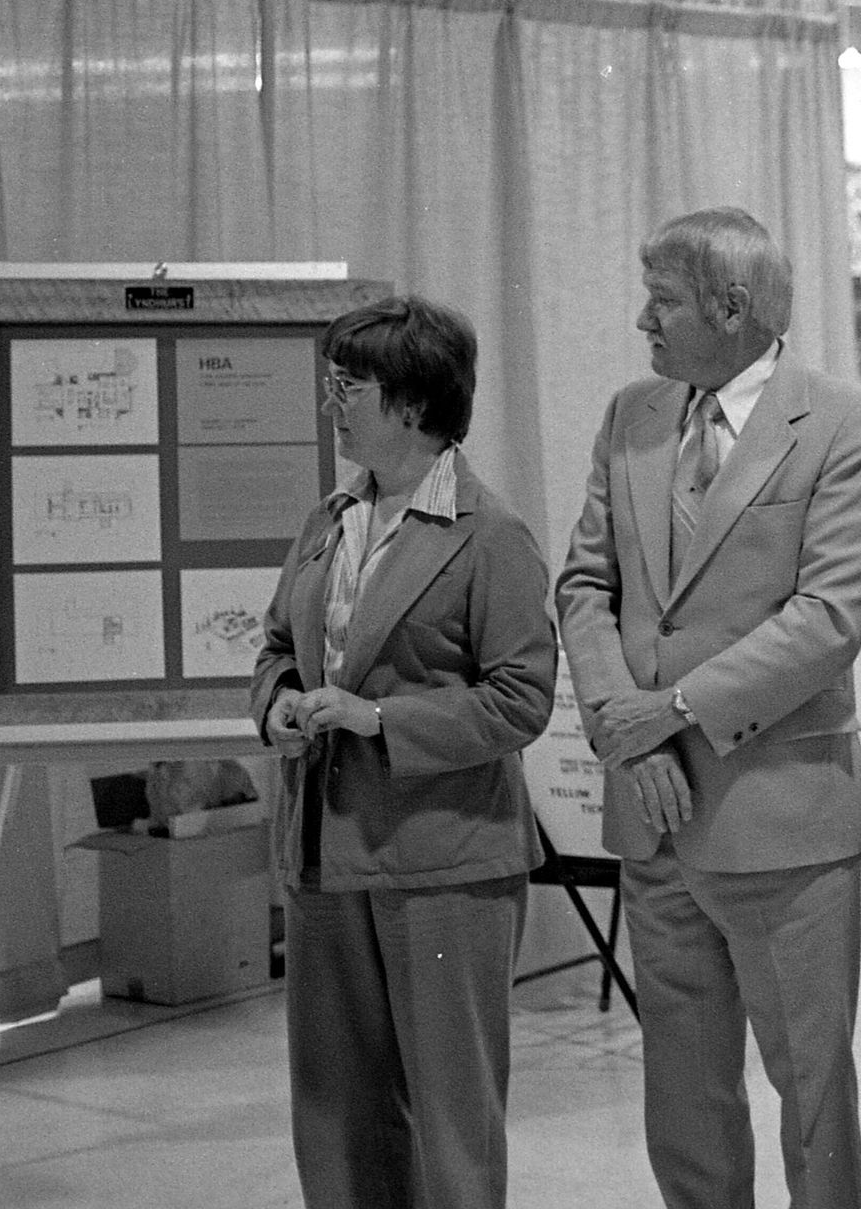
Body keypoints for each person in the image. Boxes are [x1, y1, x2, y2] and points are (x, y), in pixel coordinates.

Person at [555, 207, 861, 1209]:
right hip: (652, 809)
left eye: (662, 301)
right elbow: (585, 584)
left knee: (811, 1091)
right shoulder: (633, 414)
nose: (642, 320)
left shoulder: (847, 422)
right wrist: (625, 730)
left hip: (780, 816)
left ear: (733, 306)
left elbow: (830, 616)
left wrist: (667, 712)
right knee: (682, 1092)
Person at [253, 295, 556, 1209]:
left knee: (451, 1118)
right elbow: (276, 646)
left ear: (413, 403)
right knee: (336, 1114)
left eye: (348, 387)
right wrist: (277, 704)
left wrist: (379, 718)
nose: (330, 404)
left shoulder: (491, 535)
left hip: (442, 863)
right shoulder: (330, 518)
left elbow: (521, 700)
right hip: (323, 856)